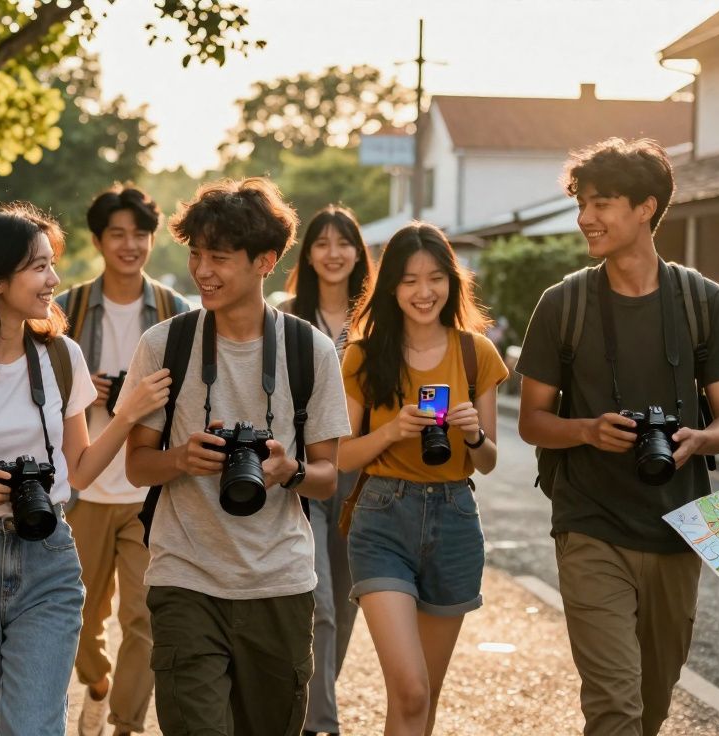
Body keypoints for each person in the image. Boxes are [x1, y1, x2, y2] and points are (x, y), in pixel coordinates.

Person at [0, 203, 172, 736]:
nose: (54, 280)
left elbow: (80, 471)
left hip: (49, 559)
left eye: (51, 265)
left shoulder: (61, 357)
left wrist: (128, 412)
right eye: (38, 267)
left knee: (33, 728)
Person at [516, 138, 719, 736]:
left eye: (602, 204)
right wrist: (588, 431)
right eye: (581, 204)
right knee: (614, 707)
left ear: (646, 208)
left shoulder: (705, 301)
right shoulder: (562, 303)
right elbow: (532, 420)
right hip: (590, 523)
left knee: (651, 704)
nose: (585, 218)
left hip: (685, 523)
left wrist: (699, 440)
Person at [122, 178, 351, 736]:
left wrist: (287, 469)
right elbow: (136, 466)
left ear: (265, 261)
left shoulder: (308, 351)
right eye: (196, 254)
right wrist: (181, 459)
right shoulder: (164, 344)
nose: (202, 271)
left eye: (219, 257)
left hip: (279, 584)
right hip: (185, 578)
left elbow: (325, 478)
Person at [338, 222, 506, 736]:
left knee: (420, 702)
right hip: (382, 519)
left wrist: (474, 435)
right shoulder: (364, 355)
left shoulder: (477, 353)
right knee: (410, 688)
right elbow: (342, 455)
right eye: (410, 280)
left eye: (435, 278)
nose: (424, 292)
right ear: (391, 286)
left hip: (455, 520)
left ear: (452, 283)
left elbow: (489, 462)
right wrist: (392, 430)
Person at [55, 185, 190, 736]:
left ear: (152, 240)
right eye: (118, 234)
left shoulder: (175, 312)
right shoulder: (66, 308)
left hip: (148, 492)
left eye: (139, 234)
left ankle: (126, 724)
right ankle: (98, 682)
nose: (129, 244)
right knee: (81, 618)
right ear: (98, 240)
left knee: (144, 618)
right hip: (83, 486)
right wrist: (86, 388)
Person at [279, 205, 375, 736]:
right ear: (308, 254)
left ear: (359, 252)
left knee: (346, 599)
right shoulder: (288, 317)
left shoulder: (379, 320)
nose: (334, 253)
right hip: (308, 474)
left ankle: (314, 702)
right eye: (322, 243)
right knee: (319, 608)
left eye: (344, 243)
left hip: (362, 477)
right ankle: (322, 724)